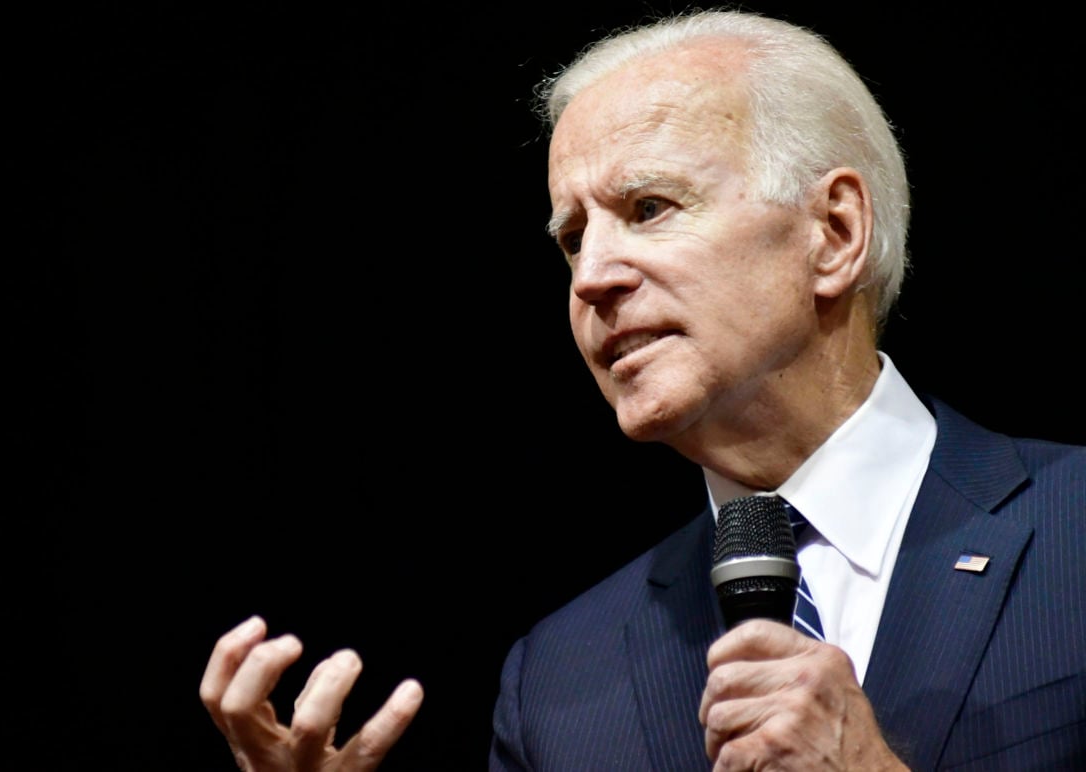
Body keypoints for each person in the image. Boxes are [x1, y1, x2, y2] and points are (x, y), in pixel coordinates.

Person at [200, 8, 1086, 770]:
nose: (591, 278)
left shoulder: (1073, 529)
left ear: (834, 232)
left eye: (649, 210)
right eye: (571, 239)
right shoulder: (559, 679)